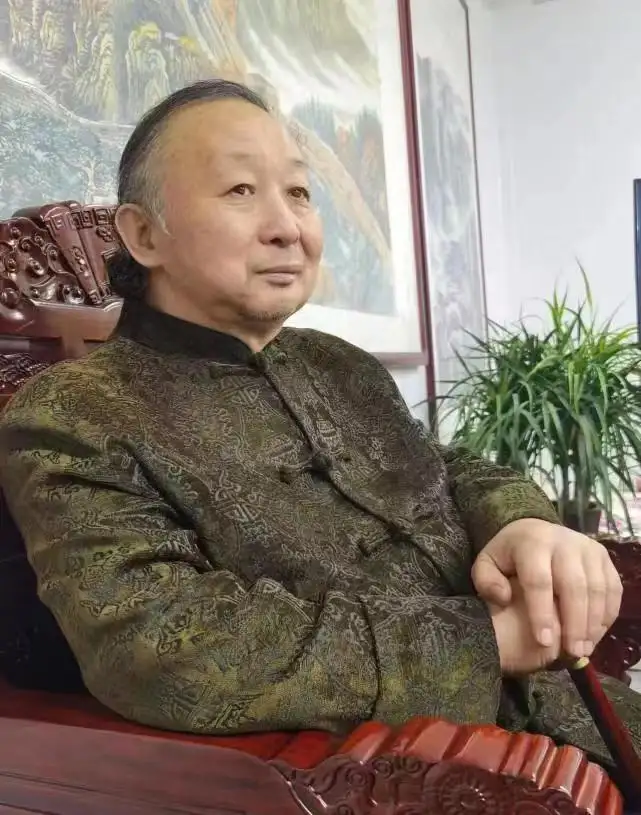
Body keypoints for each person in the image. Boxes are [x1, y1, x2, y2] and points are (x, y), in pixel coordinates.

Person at [0, 79, 636, 774]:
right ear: (144, 234)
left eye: (299, 192)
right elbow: (159, 647)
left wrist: (523, 523)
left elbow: (446, 470)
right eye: (241, 190)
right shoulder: (75, 413)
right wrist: (483, 641)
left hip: (588, 717)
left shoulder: (340, 365)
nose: (288, 227)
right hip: (432, 769)